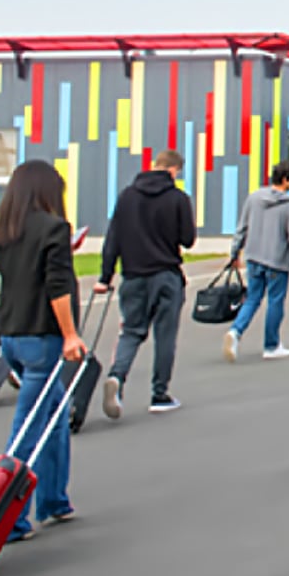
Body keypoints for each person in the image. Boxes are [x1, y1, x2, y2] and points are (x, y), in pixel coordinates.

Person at [0, 160, 87, 543]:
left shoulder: (3, 233)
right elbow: (57, 286)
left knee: (55, 417)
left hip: (11, 335)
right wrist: (70, 335)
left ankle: (54, 500)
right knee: (27, 429)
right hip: (42, 338)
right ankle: (8, 519)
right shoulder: (54, 229)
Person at [95, 149, 196, 418]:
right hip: (166, 275)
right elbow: (188, 239)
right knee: (165, 334)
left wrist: (105, 277)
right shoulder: (178, 198)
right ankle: (159, 394)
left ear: (154, 165)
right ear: (175, 170)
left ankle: (117, 377)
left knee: (131, 331)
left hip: (133, 275)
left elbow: (112, 239)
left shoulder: (127, 196)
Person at [224, 162, 289, 361]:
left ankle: (235, 332)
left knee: (252, 299)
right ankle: (271, 345)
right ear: (286, 180)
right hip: (277, 260)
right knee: (275, 301)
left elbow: (242, 228)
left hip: (253, 256)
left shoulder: (254, 198)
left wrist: (235, 252)